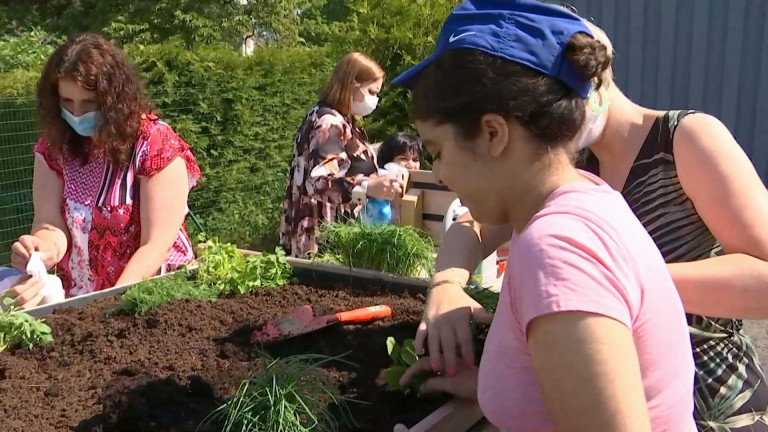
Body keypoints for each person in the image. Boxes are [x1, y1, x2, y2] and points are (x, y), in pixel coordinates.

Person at [418, 11, 768, 430]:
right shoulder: (573, 172)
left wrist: (607, 288)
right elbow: (473, 223)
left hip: (718, 394)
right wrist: (448, 285)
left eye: (437, 153)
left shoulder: (684, 139)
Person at [3, 33, 201, 309]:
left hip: (155, 296)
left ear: (114, 100)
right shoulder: (54, 149)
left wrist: (108, 307)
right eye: (67, 102)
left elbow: (155, 246)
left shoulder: (155, 145)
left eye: (89, 104)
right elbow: (49, 223)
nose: (76, 114)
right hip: (86, 299)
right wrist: (42, 250)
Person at [279, 52, 403, 257]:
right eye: (371, 91)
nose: (375, 99)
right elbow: (318, 182)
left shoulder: (334, 117)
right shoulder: (329, 124)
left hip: (323, 234)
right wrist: (367, 186)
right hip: (320, 240)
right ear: (352, 85)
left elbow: (349, 159)